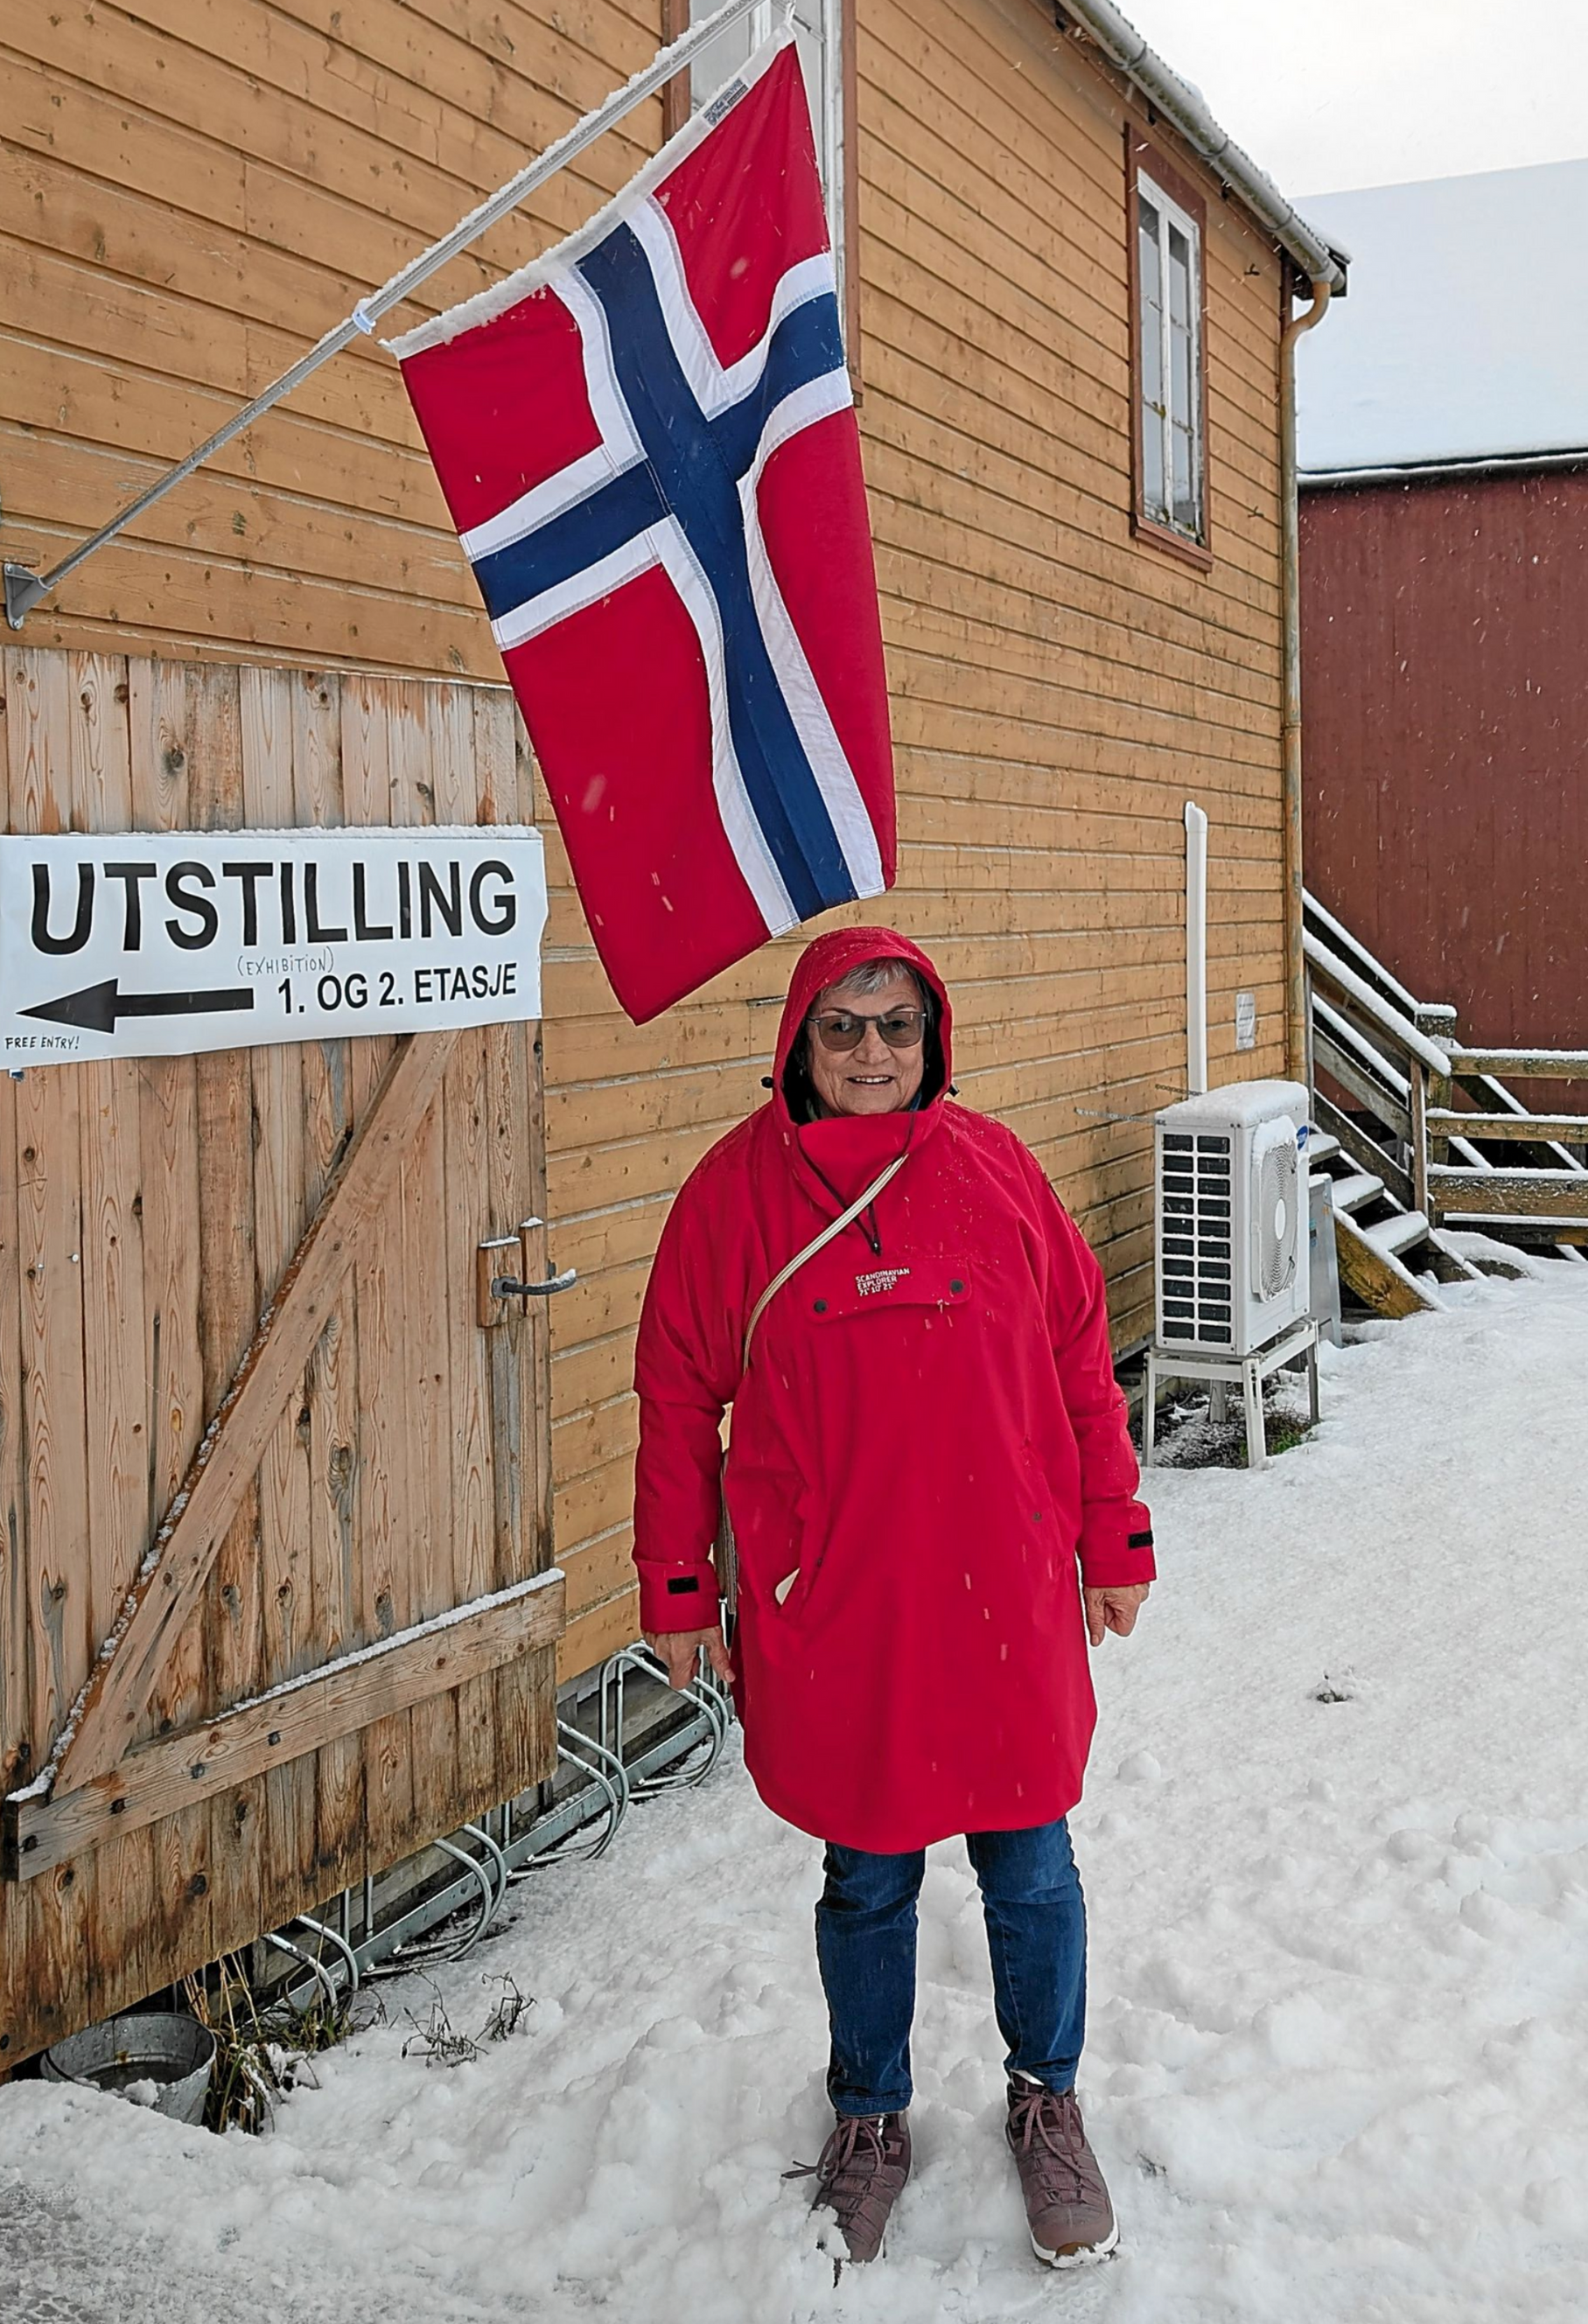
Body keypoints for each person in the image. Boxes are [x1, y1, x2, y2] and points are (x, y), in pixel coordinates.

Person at [632, 926, 1152, 2270]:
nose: (872, 1051)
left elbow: (1084, 1360)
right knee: (866, 1872)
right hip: (844, 1602)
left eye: (896, 1026)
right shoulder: (733, 1196)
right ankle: (870, 2113)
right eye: (844, 1027)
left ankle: (1048, 2094)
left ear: (934, 1040)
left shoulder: (996, 1172)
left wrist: (1114, 1536)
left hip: (1006, 1585)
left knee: (1030, 1863)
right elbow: (679, 1395)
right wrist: (680, 1585)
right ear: (800, 1042)